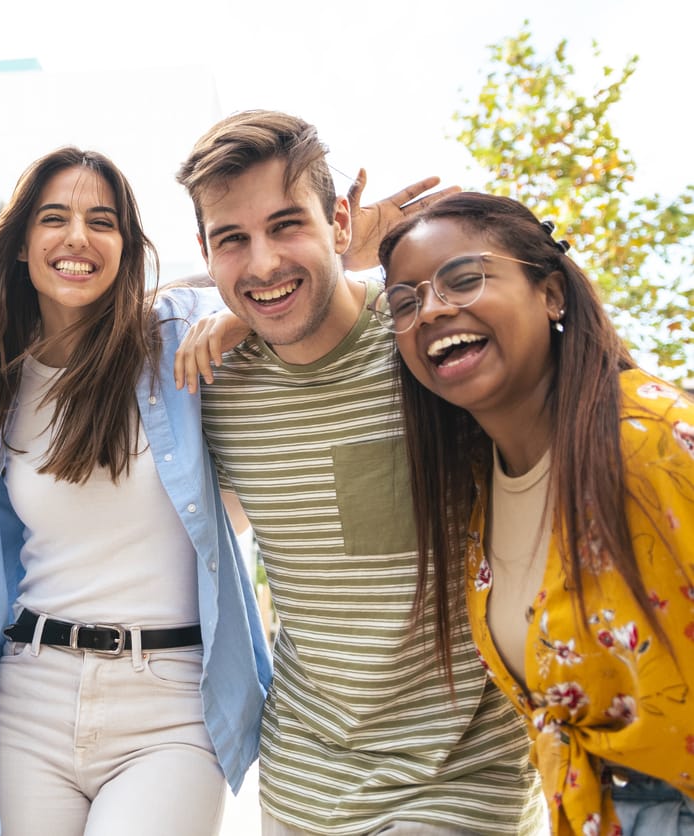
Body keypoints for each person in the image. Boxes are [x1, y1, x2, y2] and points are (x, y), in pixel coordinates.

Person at [173, 110, 540, 835]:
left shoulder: (425, 342)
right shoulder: (215, 379)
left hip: (461, 782)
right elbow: (84, 305)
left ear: (341, 222)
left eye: (288, 225)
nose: (265, 262)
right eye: (233, 240)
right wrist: (239, 306)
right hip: (300, 784)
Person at [0, 146, 272, 835]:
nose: (78, 238)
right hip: (30, 694)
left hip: (168, 702)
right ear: (20, 244)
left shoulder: (171, 340)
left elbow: (282, 283)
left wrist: (236, 317)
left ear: (126, 246)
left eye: (102, 221)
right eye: (55, 218)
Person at [374, 191, 694, 835]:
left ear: (551, 294)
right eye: (405, 302)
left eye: (464, 278)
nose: (432, 308)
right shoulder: (477, 488)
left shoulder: (654, 439)